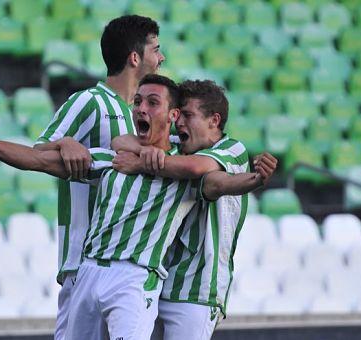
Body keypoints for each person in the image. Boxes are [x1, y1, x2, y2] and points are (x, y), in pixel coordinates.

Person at [0, 74, 271, 339]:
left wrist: (255, 179)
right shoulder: (116, 157)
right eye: (138, 102)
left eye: (152, 102)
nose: (141, 109)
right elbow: (38, 160)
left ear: (172, 116)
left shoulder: (187, 169)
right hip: (89, 270)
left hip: (137, 279)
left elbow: (217, 182)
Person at [110, 79, 277, 340]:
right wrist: (149, 154)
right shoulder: (179, 145)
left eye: (188, 115)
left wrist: (256, 180)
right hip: (157, 284)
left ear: (214, 120)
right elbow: (120, 141)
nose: (179, 123)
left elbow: (205, 175)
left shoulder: (231, 149)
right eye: (179, 115)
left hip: (197, 291)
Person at [32, 15, 164, 340]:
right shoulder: (89, 102)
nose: (161, 58)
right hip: (83, 261)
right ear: (135, 57)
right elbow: (40, 150)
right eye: (156, 50)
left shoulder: (146, 114)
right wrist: (65, 142)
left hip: (131, 267)